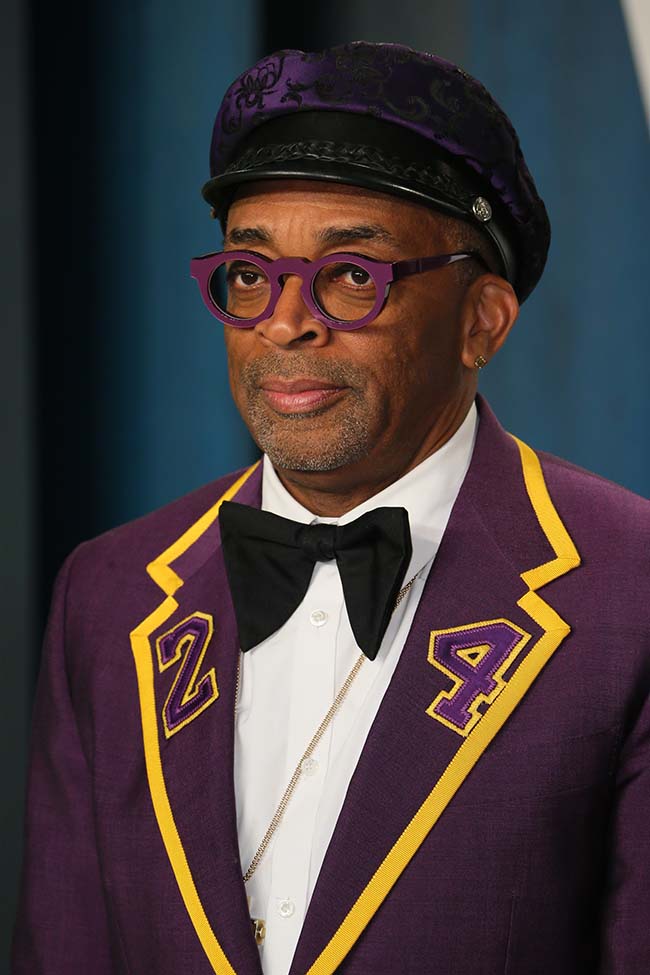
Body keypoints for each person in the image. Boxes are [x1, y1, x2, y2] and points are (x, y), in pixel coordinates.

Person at [12, 40, 650, 975]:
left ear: (484, 321)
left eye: (354, 275)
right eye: (249, 273)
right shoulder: (108, 596)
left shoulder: (627, 592)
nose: (285, 319)